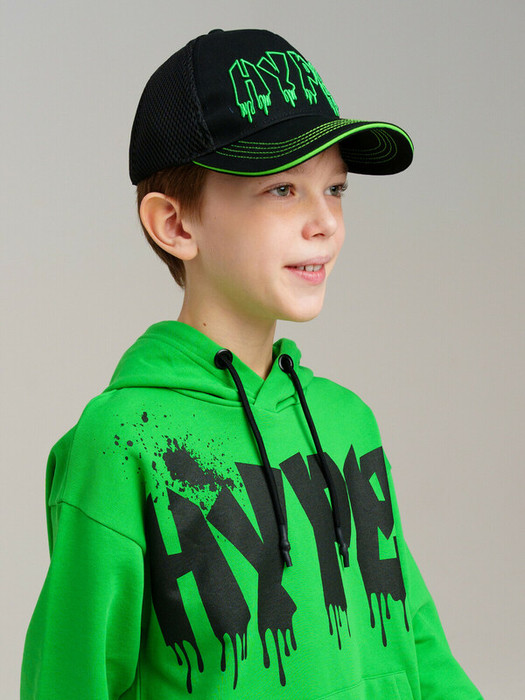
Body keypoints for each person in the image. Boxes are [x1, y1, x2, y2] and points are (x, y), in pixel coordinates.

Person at [21, 28, 483, 699]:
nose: (325, 222)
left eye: (335, 188)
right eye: (283, 189)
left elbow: (417, 647)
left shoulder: (346, 423)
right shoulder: (122, 442)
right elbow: (71, 678)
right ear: (176, 225)